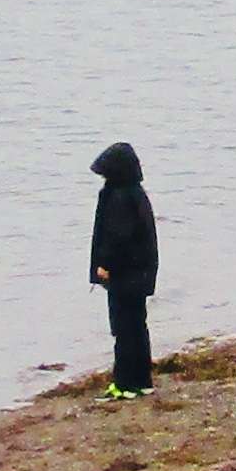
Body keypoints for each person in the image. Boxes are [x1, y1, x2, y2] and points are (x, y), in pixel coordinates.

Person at [87, 140, 159, 399]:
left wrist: (105, 265)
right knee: (137, 326)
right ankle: (142, 381)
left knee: (124, 329)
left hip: (124, 274)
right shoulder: (136, 194)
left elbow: (117, 236)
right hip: (140, 272)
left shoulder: (118, 196)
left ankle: (124, 384)